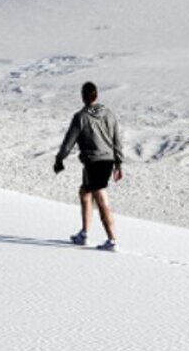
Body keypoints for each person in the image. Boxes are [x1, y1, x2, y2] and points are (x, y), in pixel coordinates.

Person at [53, 80, 124, 250]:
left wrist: (59, 159)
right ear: (96, 95)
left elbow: (68, 142)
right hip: (106, 161)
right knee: (85, 192)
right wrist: (118, 163)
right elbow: (117, 139)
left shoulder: (81, 117)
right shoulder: (109, 113)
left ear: (83, 97)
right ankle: (84, 234)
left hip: (94, 161)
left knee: (100, 197)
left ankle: (112, 240)